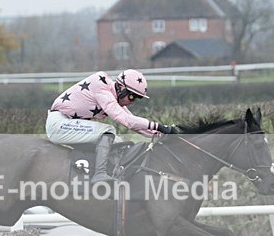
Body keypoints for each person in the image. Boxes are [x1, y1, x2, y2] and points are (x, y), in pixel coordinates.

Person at [45, 69, 177, 183]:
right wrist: (160, 126)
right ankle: (99, 174)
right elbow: (127, 120)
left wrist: (160, 133)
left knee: (117, 141)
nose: (132, 102)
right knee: (108, 131)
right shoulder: (102, 90)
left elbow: (133, 124)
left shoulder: (112, 96)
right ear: (122, 89)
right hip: (59, 124)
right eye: (132, 97)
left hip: (66, 124)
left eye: (137, 99)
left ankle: (106, 173)